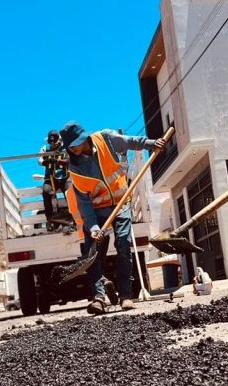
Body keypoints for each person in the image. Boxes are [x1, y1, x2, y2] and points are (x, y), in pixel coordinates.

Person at [60, 121, 169, 314]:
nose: (73, 149)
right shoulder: (75, 169)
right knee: (93, 254)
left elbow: (130, 142)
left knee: (123, 246)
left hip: (120, 204)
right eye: (70, 147)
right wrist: (93, 228)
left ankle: (126, 296)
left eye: (75, 144)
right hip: (96, 210)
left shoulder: (106, 140)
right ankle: (98, 299)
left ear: (84, 138)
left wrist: (151, 144)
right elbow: (84, 204)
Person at [39, 130, 70, 230]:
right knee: (46, 191)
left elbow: (69, 160)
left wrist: (57, 160)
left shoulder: (65, 148)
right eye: (50, 142)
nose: (52, 144)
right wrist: (44, 161)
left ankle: (72, 217)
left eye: (54, 142)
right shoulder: (45, 149)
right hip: (50, 177)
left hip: (64, 176)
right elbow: (39, 160)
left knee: (70, 192)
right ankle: (50, 219)